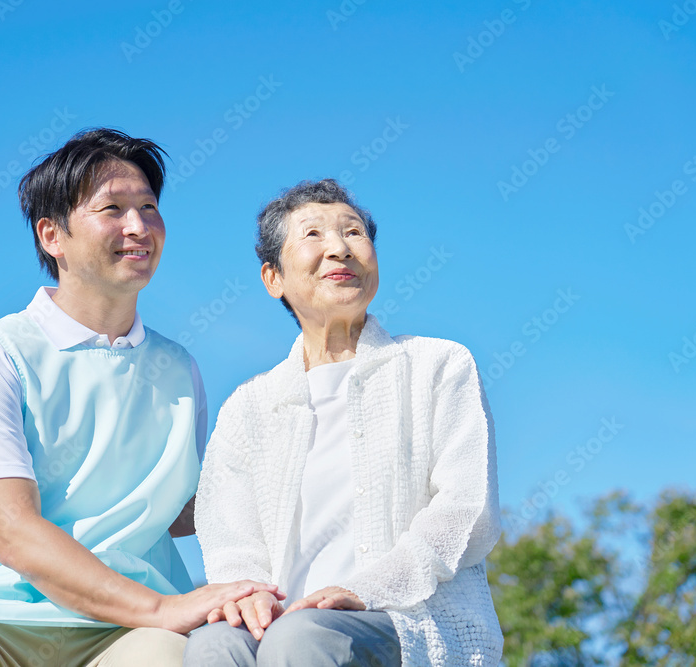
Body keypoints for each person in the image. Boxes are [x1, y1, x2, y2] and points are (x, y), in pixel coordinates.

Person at [0, 128, 276, 667]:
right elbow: (15, 534)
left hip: (130, 630)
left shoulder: (178, 368)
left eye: (148, 206)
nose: (139, 226)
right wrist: (163, 607)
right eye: (112, 208)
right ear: (53, 235)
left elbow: (185, 510)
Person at [184, 179, 504, 666]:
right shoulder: (248, 407)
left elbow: (466, 512)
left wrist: (366, 589)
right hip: (281, 625)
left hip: (404, 620)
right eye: (313, 235)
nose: (339, 248)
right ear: (273, 279)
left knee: (302, 638)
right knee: (213, 644)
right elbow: (229, 533)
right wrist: (250, 596)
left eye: (354, 233)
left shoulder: (438, 365)